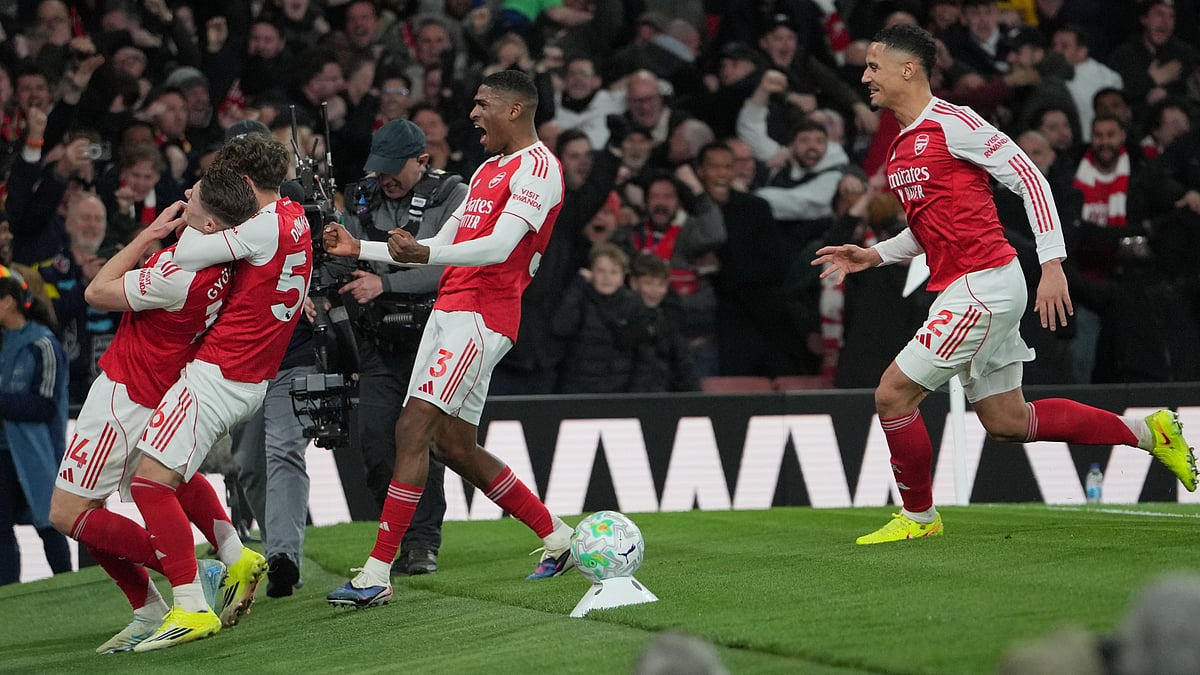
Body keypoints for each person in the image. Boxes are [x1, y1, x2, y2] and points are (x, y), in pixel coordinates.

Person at [812, 24, 1198, 545]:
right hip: (965, 285)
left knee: (892, 396)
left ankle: (919, 518)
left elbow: (1029, 178)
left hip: (984, 284)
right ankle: (1150, 432)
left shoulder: (955, 123)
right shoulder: (903, 148)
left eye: (874, 66)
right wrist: (875, 254)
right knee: (1008, 421)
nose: (865, 76)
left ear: (909, 69)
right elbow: (929, 231)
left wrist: (1054, 264)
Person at [322, 70, 571, 608]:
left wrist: (426, 256)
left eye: (483, 104)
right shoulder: (487, 169)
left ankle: (376, 573)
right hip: (451, 309)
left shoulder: (539, 168)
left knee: (411, 428)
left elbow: (501, 247)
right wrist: (357, 249)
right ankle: (559, 538)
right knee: (454, 446)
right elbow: (438, 242)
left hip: (482, 314)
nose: (473, 113)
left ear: (513, 109)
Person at [46, 168, 256, 653]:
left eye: (195, 198)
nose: (184, 197)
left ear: (210, 226)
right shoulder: (229, 261)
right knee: (164, 480)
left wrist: (149, 234)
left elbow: (96, 291)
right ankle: (151, 607)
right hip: (163, 387)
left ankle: (191, 570)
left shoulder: (178, 270)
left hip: (124, 395)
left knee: (68, 512)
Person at [128, 133, 312, 650]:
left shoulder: (258, 229)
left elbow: (187, 252)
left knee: (148, 484)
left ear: (246, 182)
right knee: (174, 474)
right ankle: (237, 556)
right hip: (251, 375)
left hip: (220, 373)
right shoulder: (293, 214)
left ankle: (189, 607)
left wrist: (195, 209)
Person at [327, 118, 468, 576]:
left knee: (423, 441)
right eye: (378, 167)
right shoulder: (361, 195)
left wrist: (383, 283)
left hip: (433, 337)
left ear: (423, 161)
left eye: (394, 169)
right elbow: (341, 256)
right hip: (376, 341)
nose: (384, 178)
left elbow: (448, 265)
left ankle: (424, 542)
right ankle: (401, 538)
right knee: (374, 443)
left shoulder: (452, 194)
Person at [0, 266, 71, 586]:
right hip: (3, 452)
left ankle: (68, 586)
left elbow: (43, 405)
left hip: (36, 450)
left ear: (8, 302)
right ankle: (9, 600)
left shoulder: (43, 344)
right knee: (1, 530)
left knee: (49, 523)